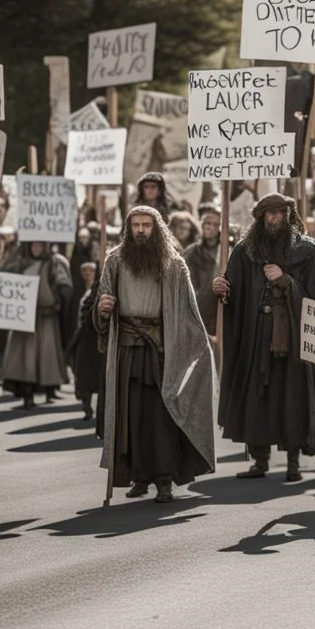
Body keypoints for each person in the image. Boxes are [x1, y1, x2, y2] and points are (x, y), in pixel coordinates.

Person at [95, 207, 215, 502]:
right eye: (135, 225)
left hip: (159, 353)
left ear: (156, 228)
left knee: (160, 420)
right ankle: (139, 476)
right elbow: (101, 308)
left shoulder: (174, 265)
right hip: (126, 351)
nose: (140, 230)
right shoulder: (115, 261)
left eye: (146, 225)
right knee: (130, 418)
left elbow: (188, 312)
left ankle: (163, 480)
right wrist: (102, 309)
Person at [213, 194, 315, 482]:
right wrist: (220, 288)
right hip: (256, 334)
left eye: (280, 213)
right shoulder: (244, 251)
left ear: (289, 215)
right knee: (257, 395)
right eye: (269, 213)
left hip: (292, 335)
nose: (275, 218)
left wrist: (287, 281)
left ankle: (293, 461)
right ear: (260, 217)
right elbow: (233, 290)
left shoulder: (307, 250)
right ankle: (259, 460)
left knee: (291, 398)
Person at [0, 241, 72, 409]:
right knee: (25, 358)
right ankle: (27, 395)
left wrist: (58, 301)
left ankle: (49, 390)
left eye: (40, 246)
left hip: (46, 316)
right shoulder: (20, 262)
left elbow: (63, 283)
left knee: (47, 357)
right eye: (34, 246)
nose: (37, 249)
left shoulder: (52, 263)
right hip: (24, 317)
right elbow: (4, 275)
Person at [69, 262, 103, 422]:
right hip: (83, 337)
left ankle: (100, 410)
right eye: (85, 270)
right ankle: (87, 407)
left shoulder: (100, 287)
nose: (88, 273)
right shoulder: (79, 290)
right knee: (83, 375)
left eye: (91, 270)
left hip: (96, 338)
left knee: (98, 376)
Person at [183, 206, 221, 338]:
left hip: (218, 308)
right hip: (198, 307)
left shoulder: (226, 251)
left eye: (215, 224)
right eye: (207, 223)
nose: (210, 227)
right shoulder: (191, 252)